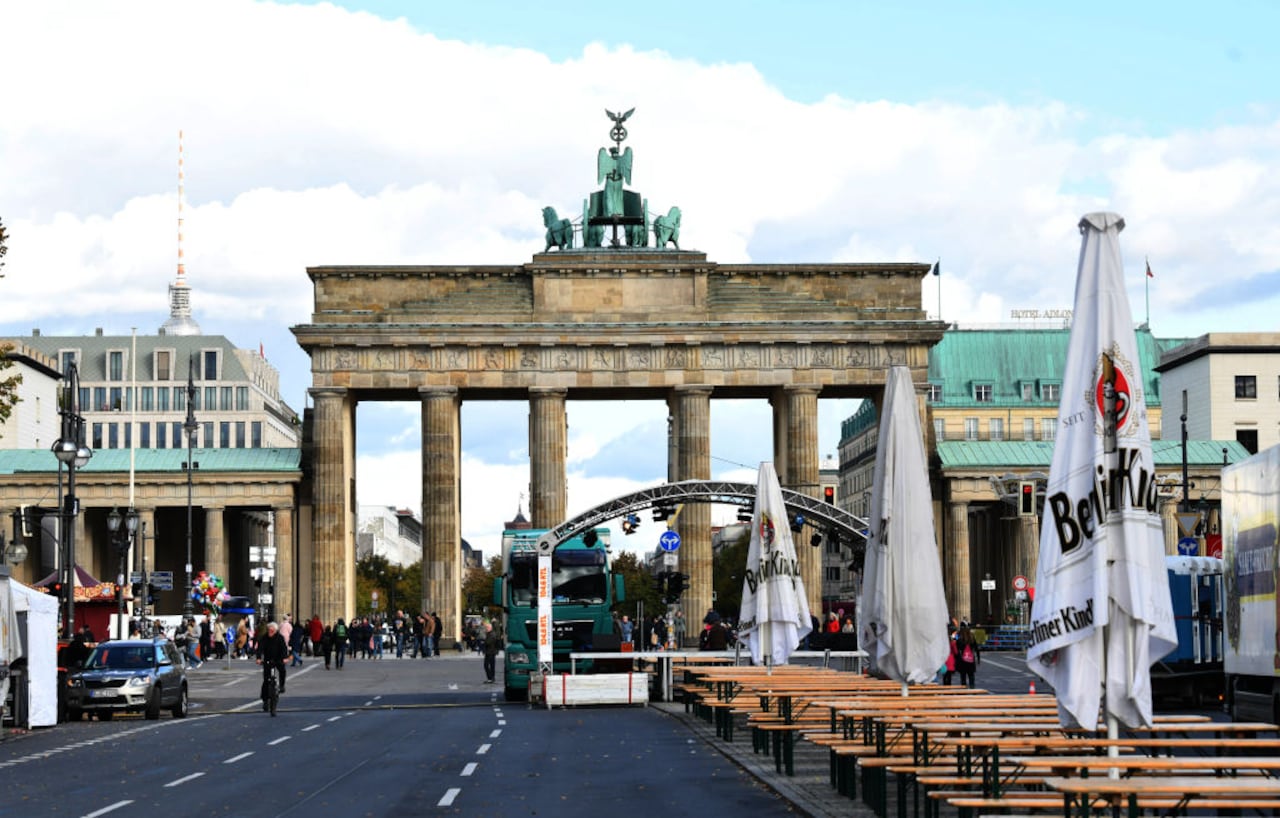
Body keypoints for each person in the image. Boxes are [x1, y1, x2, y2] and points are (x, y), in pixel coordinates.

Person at [256, 621, 289, 706]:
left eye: (272, 631)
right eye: (269, 630)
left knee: (282, 670)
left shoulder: (280, 638)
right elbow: (260, 648)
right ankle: (265, 699)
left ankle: (282, 685)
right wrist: (259, 658)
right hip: (268, 659)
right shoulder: (264, 638)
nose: (270, 632)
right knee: (266, 680)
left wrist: (285, 658)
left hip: (278, 659)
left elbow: (284, 648)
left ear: (275, 631)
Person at [953, 623, 980, 688]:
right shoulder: (971, 636)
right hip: (970, 659)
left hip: (962, 659)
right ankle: (972, 689)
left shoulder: (958, 635)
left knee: (963, 677)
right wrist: (978, 658)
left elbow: (954, 643)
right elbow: (976, 648)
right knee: (971, 676)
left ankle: (964, 691)